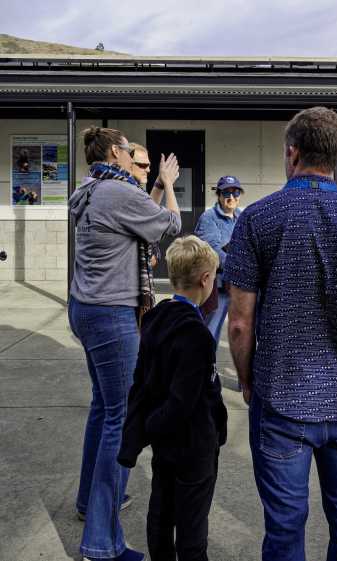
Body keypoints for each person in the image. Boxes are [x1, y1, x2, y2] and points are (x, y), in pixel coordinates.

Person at [224, 106, 337, 561]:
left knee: (284, 526)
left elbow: (239, 322)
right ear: (336, 155)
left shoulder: (257, 219)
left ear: (292, 152)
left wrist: (247, 379)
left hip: (281, 401)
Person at [68, 126, 181, 561]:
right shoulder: (119, 193)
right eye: (135, 158)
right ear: (117, 152)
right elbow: (168, 225)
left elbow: (139, 225)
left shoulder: (93, 187)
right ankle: (102, 544)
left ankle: (88, 502)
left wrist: (150, 186)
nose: (142, 167)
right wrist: (169, 186)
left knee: (103, 408)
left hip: (87, 307)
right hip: (112, 313)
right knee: (124, 417)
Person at [118, 235, 228, 561]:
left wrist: (144, 430)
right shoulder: (196, 334)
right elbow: (184, 401)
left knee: (161, 514)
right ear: (206, 279)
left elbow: (142, 384)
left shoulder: (155, 318)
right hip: (193, 446)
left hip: (164, 445)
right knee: (192, 529)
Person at [194, 175, 244, 346]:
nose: (231, 197)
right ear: (219, 195)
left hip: (239, 285)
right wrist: (242, 264)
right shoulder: (208, 218)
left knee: (245, 332)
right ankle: (204, 369)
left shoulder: (242, 217)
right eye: (226, 193)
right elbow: (214, 252)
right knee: (209, 333)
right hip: (217, 286)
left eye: (235, 192)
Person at [130, 142, 178, 269]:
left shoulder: (131, 191)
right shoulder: (129, 194)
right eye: (142, 165)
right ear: (127, 163)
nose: (148, 170)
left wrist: (160, 183)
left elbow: (147, 211)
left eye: (149, 165)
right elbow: (174, 224)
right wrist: (168, 184)